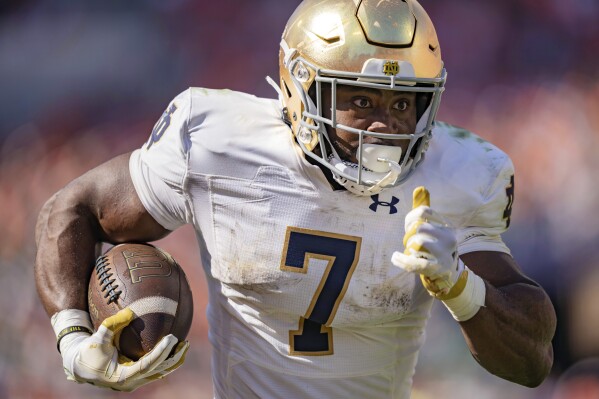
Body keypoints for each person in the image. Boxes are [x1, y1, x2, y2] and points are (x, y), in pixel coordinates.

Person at [34, 0, 557, 397]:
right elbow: (72, 209)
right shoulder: (217, 141)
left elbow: (532, 360)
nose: (386, 125)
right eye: (359, 98)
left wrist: (461, 288)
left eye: (404, 103)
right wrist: (74, 340)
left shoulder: (458, 173)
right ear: (300, 88)